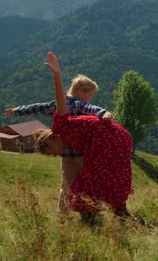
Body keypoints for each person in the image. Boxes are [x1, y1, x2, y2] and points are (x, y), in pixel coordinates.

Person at [34, 51, 133, 223]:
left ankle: (94, 217)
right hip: (117, 139)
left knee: (87, 182)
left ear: (49, 141)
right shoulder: (68, 138)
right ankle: (117, 214)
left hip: (111, 141)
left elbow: (60, 99)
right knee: (106, 178)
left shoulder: (61, 125)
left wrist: (57, 75)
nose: (57, 155)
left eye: (52, 153)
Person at [5, 74, 114, 214]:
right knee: (90, 184)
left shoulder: (57, 104)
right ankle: (90, 213)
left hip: (66, 155)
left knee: (66, 186)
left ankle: (62, 215)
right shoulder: (80, 104)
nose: (90, 98)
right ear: (80, 91)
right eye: (90, 94)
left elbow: (37, 108)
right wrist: (103, 112)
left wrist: (16, 111)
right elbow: (91, 108)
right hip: (84, 156)